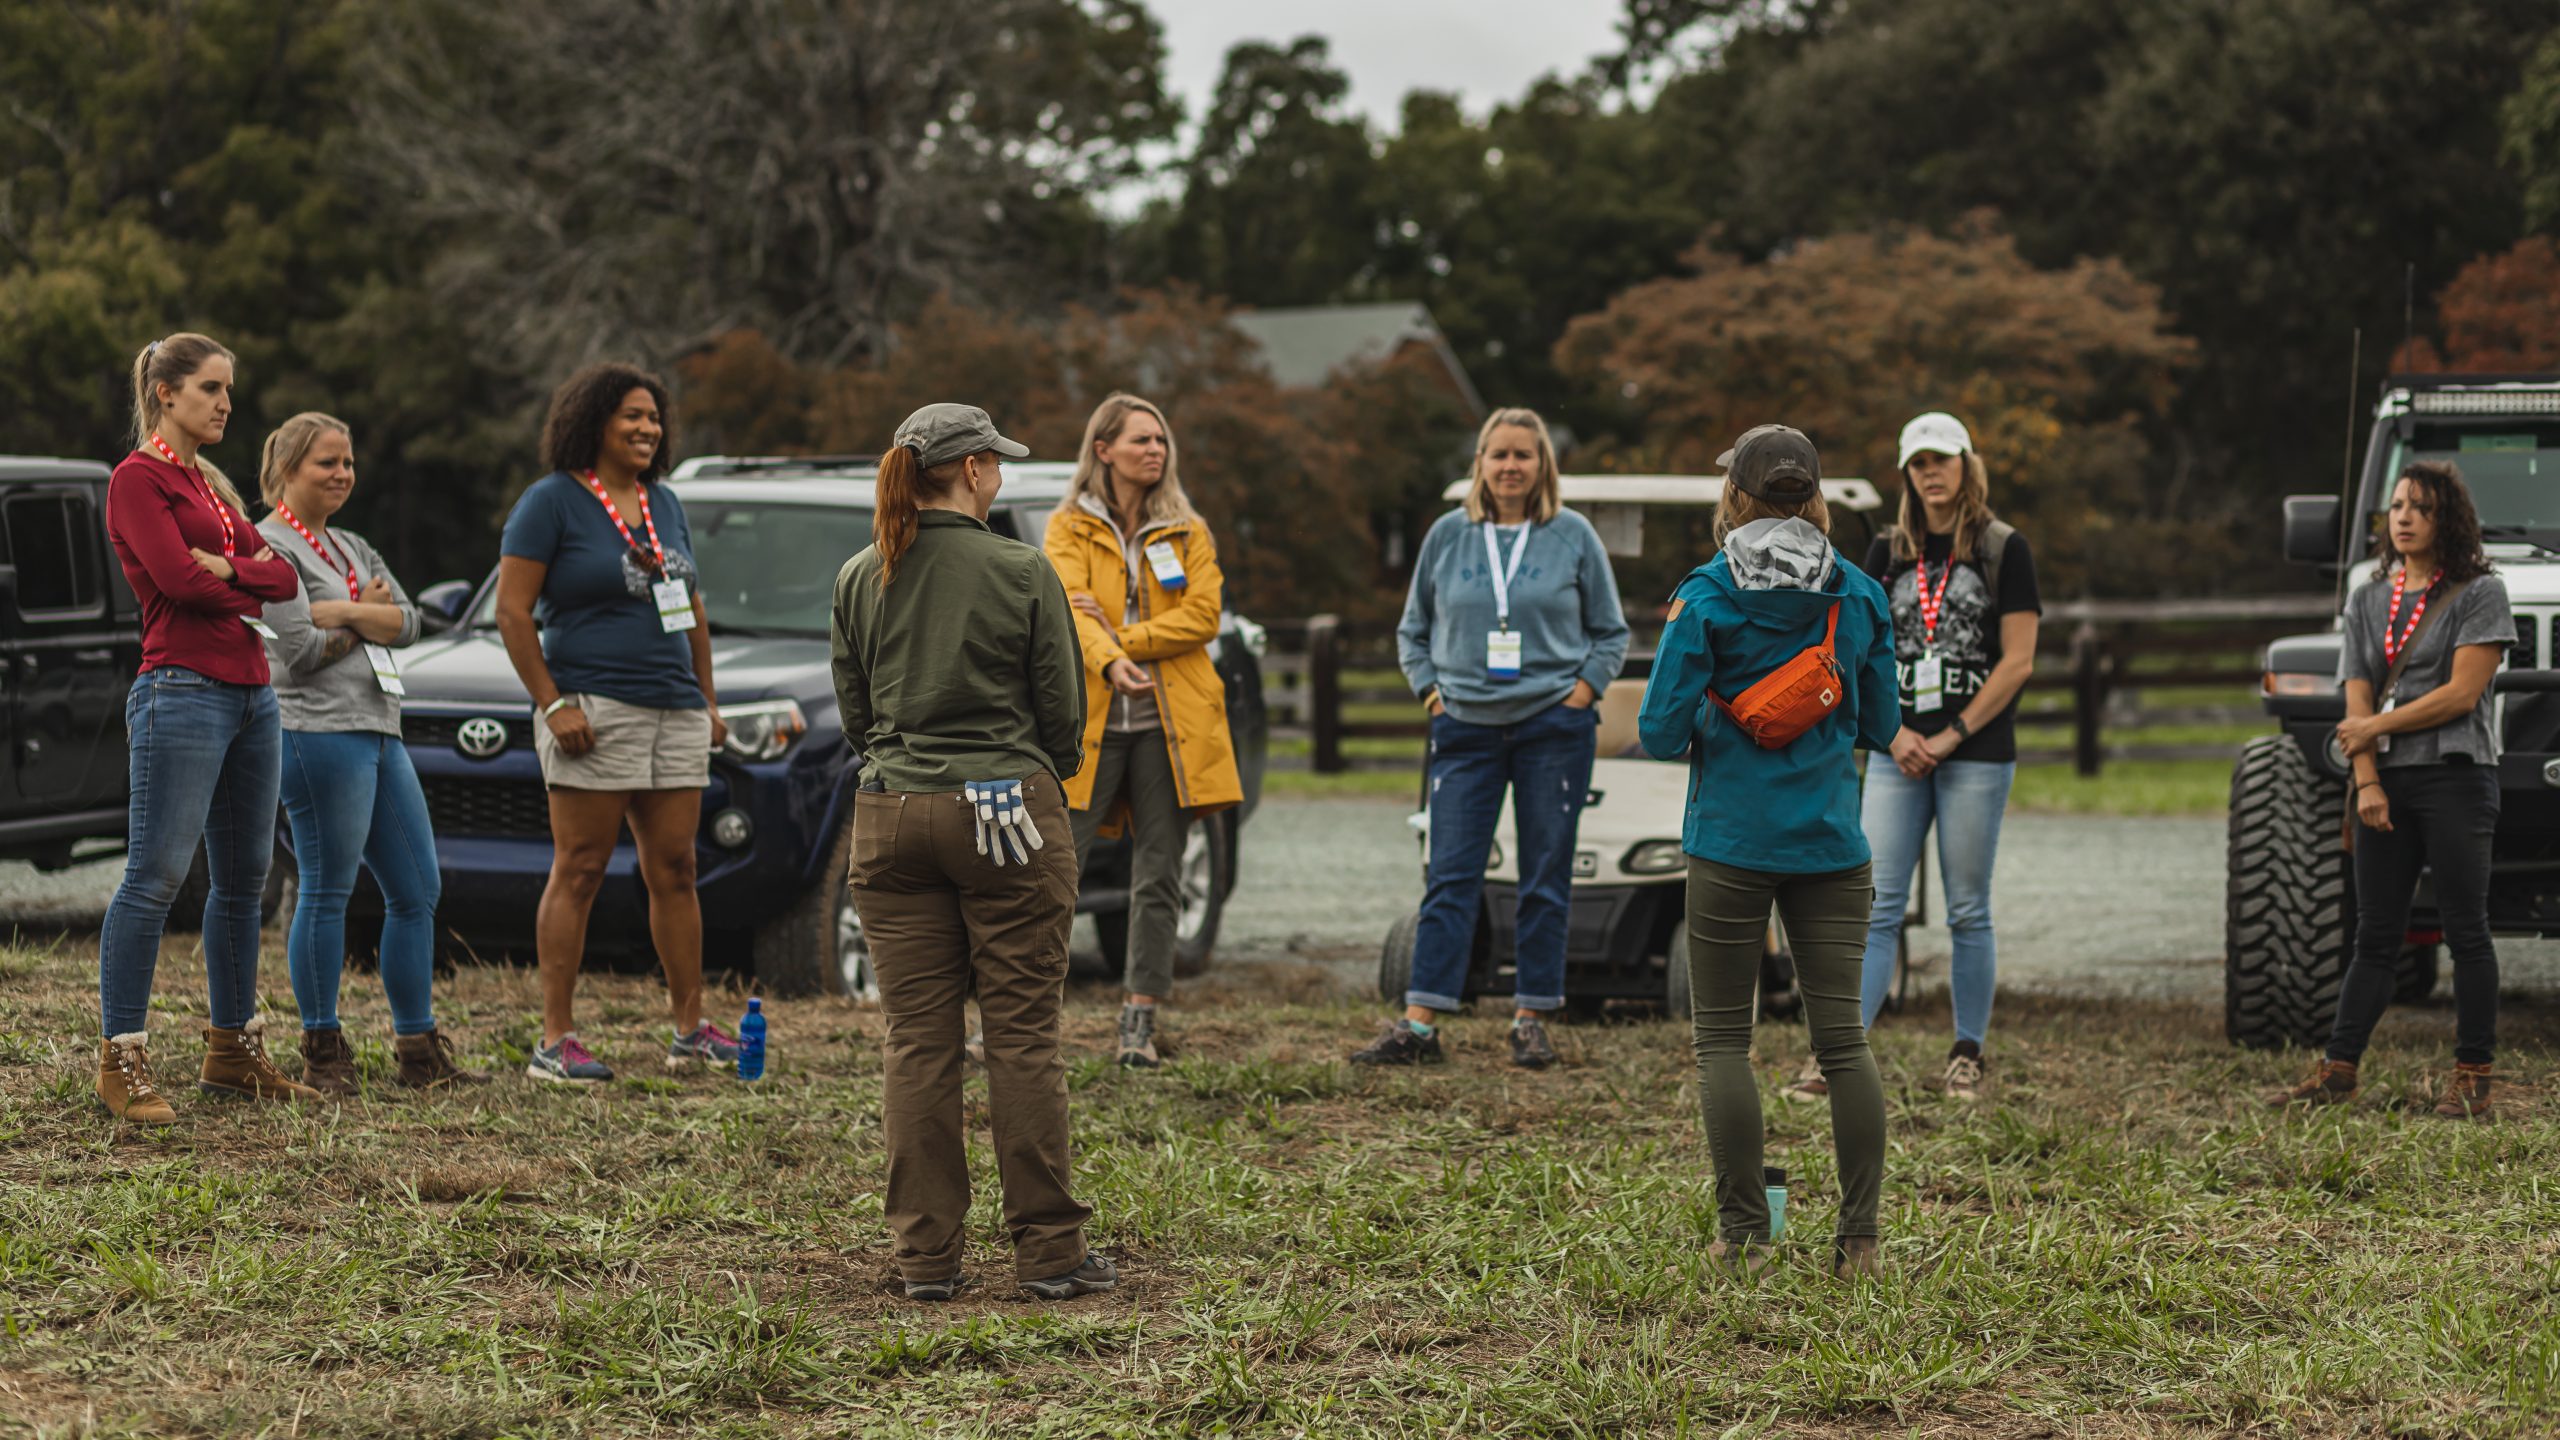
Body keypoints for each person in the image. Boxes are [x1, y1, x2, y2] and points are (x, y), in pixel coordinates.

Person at [831, 402, 1113, 1302]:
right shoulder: (1022, 569)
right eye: (997, 461)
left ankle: (926, 1261)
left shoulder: (858, 575)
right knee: (1021, 1036)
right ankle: (1051, 1255)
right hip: (1006, 815)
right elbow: (1063, 713)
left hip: (891, 812)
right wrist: (1039, 771)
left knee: (918, 1041)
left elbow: (856, 715)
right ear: (975, 469)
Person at [1637, 424, 1900, 1279]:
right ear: (1814, 495)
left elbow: (1658, 732)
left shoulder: (1705, 596)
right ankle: (1857, 1241)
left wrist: (1723, 710)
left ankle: (1745, 1234)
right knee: (1843, 1045)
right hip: (1830, 841)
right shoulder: (1857, 594)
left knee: (1723, 1042)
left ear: (1737, 497)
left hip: (1731, 843)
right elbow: (1885, 725)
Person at [1359, 406, 1630, 1069]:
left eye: (1524, 455)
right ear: (1479, 463)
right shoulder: (1448, 536)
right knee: (1451, 876)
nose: (1511, 466)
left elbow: (1611, 631)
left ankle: (1532, 1016)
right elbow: (1412, 628)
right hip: (1464, 729)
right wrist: (1431, 692)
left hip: (1552, 729)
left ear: (1543, 466)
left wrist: (1583, 692)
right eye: (1499, 454)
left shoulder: (1573, 536)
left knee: (1544, 874)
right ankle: (1419, 1024)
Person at [95, 333, 320, 1123]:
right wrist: (237, 582)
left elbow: (285, 574)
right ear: (167, 393)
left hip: (254, 694)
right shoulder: (138, 480)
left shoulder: (215, 490)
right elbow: (175, 581)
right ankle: (121, 1057)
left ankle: (232, 1051)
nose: (226, 403)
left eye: (229, 389)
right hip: (181, 690)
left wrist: (232, 572)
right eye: (211, 389)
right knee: (154, 878)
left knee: (243, 883)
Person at [495, 363, 736, 1084]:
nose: (647, 428)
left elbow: (690, 606)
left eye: (655, 418)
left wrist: (708, 699)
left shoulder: (664, 502)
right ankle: (555, 1041)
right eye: (632, 415)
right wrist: (553, 703)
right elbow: (512, 613)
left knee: (678, 868)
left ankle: (690, 1030)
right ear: (593, 419)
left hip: (675, 710)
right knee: (583, 869)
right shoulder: (551, 503)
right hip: (594, 709)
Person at [1809, 412, 2040, 1102]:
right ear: (1906, 473)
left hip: (1975, 751)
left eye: (1942, 460)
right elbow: (1859, 652)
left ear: (1967, 463)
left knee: (1967, 908)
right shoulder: (1887, 551)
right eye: (1918, 463)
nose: (1930, 473)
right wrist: (1894, 732)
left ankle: (1967, 1054)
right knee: (1876, 904)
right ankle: (1838, 1057)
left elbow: (2018, 661)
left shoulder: (2004, 549)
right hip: (1896, 750)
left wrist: (1950, 734)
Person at [2276, 460, 2513, 1119]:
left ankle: (2472, 1077)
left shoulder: (2479, 593)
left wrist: (2375, 726)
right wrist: (2367, 779)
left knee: (2467, 930)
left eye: (2422, 508)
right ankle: (2338, 1070)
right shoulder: (2367, 599)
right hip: (2385, 783)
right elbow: (2354, 689)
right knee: (2375, 935)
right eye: (2398, 506)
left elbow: (2462, 695)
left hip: (2457, 778)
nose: (2405, 518)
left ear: (2449, 520)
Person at [254, 413, 481, 1093]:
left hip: (381, 728)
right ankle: (322, 1049)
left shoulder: (352, 546)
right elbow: (296, 652)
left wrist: (344, 611)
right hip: (316, 733)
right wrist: (367, 614)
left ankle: (417, 1048)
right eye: (328, 462)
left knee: (417, 889)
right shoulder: (270, 547)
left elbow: (410, 622)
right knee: (328, 890)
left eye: (348, 462)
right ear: (289, 468)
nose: (343, 473)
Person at [1044, 394, 1242, 1068]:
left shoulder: (1188, 531)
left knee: (1158, 874)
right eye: (1139, 440)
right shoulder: (1067, 528)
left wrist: (1122, 640)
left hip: (1169, 726)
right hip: (1088, 724)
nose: (1155, 450)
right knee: (1051, 871)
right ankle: (1021, 1017)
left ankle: (1140, 1021)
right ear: (1103, 450)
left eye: (1160, 440)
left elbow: (1204, 616)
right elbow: (1068, 612)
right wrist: (1107, 659)